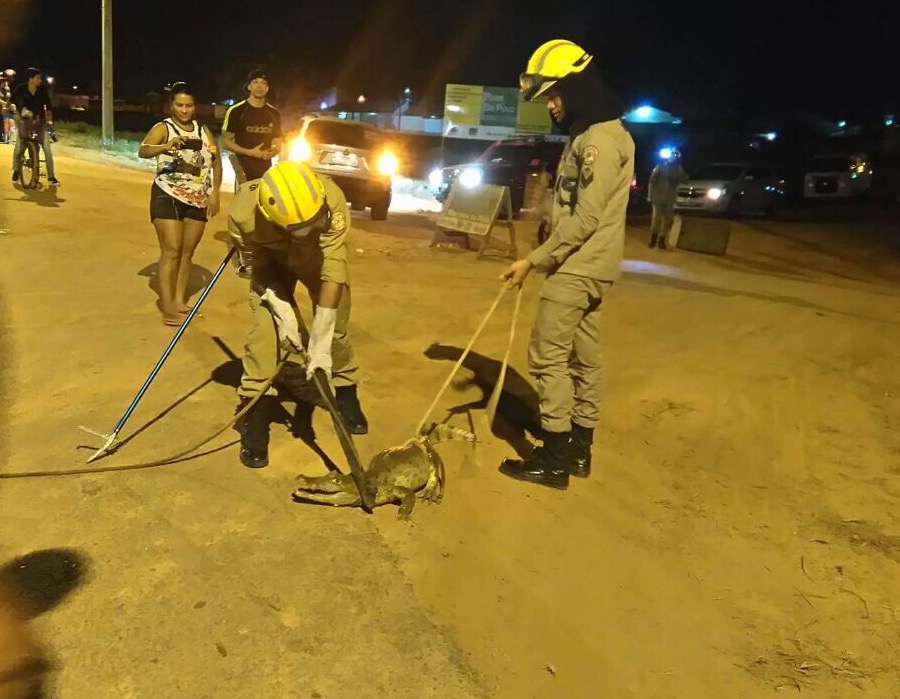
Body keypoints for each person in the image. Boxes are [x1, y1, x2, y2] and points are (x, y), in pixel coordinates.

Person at [498, 39, 635, 490]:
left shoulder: (598, 141)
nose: (551, 105)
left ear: (577, 87)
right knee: (584, 358)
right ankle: (578, 449)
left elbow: (586, 218)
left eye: (554, 94)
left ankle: (554, 459)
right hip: (592, 266)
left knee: (547, 359)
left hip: (577, 267)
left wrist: (533, 261)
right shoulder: (598, 131)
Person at [229, 160, 369, 468]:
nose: (307, 231)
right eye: (298, 229)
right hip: (271, 266)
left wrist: (320, 342)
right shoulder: (243, 215)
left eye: (314, 222)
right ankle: (255, 410)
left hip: (316, 257)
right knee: (265, 338)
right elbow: (254, 268)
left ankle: (345, 388)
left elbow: (333, 271)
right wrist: (282, 309)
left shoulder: (331, 199)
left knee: (336, 329)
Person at [138, 82, 222, 326]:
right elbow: (143, 151)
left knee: (187, 253)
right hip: (167, 194)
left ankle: (179, 301)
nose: (185, 110)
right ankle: (168, 307)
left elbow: (216, 161)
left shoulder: (203, 131)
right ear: (171, 106)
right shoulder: (163, 128)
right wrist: (165, 146)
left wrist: (215, 193)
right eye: (180, 105)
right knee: (172, 251)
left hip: (197, 198)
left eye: (189, 105)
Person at [221, 69, 283, 277]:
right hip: (243, 167)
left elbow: (278, 142)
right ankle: (243, 259)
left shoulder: (274, 113)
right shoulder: (237, 111)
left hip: (265, 170)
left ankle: (261, 257)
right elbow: (226, 141)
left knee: (264, 213)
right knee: (243, 212)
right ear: (248, 86)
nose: (259, 86)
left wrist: (272, 151)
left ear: (268, 88)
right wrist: (250, 152)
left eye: (263, 83)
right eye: (255, 82)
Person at [10, 67, 58, 186]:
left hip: (39, 123)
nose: (40, 80)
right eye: (38, 78)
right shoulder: (21, 89)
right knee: (19, 148)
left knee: (47, 148)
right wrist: (14, 110)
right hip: (25, 124)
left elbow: (48, 107)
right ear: (31, 78)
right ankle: (16, 170)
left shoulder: (42, 90)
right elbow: (11, 102)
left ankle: (51, 177)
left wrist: (49, 122)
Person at [647, 148, 687, 249]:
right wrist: (650, 195)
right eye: (672, 156)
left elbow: (684, 180)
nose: (673, 158)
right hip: (658, 197)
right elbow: (652, 182)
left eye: (676, 156)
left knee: (667, 220)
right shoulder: (660, 167)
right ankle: (653, 240)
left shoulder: (678, 169)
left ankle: (662, 240)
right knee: (656, 219)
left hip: (670, 199)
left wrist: (680, 169)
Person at [0, 72, 12, 145]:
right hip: (2, 108)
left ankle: (4, 136)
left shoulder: (6, 88)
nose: (3, 82)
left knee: (3, 122)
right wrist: (4, 103)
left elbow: (8, 98)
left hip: (3, 110)